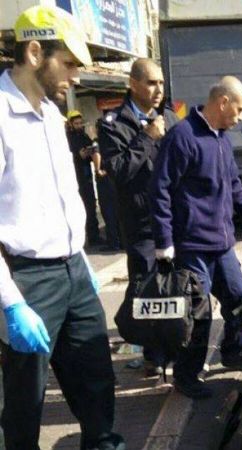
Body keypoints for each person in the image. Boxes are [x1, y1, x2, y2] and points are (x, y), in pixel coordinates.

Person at [0, 6, 124, 450]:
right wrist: (11, 303)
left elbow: (64, 199)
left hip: (74, 271)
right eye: (68, 63)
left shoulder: (52, 115)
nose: (75, 76)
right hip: (26, 279)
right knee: (22, 404)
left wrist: (81, 259)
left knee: (97, 382)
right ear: (35, 53)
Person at [149, 76, 242, 398]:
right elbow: (160, 189)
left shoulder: (222, 139)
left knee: (238, 298)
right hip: (192, 245)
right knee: (197, 314)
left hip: (222, 243)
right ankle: (186, 377)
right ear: (223, 102)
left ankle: (232, 349)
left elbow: (234, 183)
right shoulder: (183, 137)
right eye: (240, 109)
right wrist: (164, 241)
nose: (241, 117)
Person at [98, 58, 178, 375]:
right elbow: (118, 171)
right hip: (141, 224)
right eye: (151, 83)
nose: (158, 89)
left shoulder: (170, 117)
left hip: (172, 220)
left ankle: (176, 349)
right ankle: (153, 355)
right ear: (133, 84)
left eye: (161, 83)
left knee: (176, 288)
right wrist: (147, 137)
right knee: (146, 291)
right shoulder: (112, 123)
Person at [66, 110, 102, 247]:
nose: (80, 125)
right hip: (77, 177)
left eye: (81, 123)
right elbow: (83, 154)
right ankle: (88, 237)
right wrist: (93, 146)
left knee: (91, 206)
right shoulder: (70, 138)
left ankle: (94, 236)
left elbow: (92, 153)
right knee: (84, 207)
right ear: (70, 124)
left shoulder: (83, 135)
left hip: (86, 176)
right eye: (76, 123)